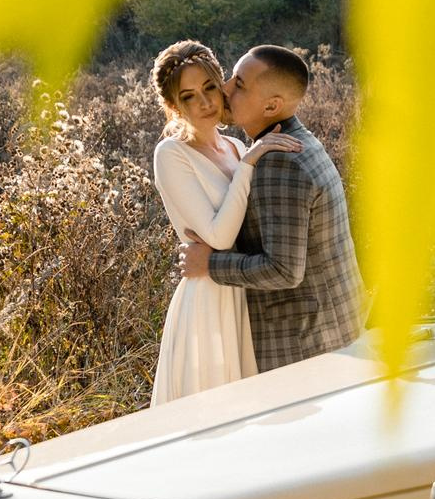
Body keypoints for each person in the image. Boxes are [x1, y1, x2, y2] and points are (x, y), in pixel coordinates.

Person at [178, 44, 367, 372]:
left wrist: (209, 264)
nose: (224, 87)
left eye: (239, 84)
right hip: (332, 331)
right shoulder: (299, 139)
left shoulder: (280, 162)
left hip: (302, 347)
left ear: (272, 106)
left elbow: (283, 270)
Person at [147, 40, 299, 405]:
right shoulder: (171, 155)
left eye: (210, 88)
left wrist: (247, 156)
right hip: (208, 300)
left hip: (243, 291)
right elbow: (218, 234)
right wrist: (250, 164)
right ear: (173, 106)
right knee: (212, 411)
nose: (205, 102)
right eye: (188, 96)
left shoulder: (234, 146)